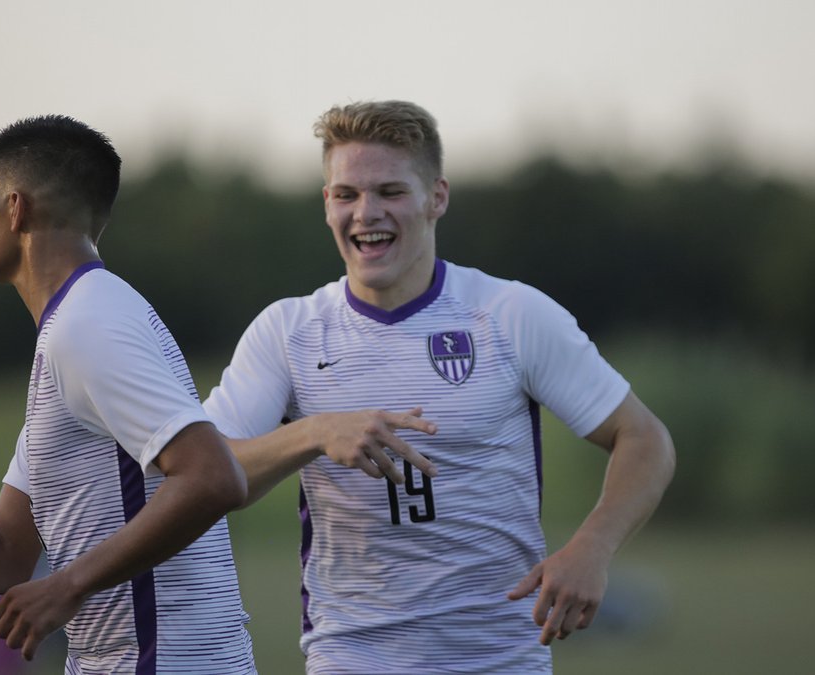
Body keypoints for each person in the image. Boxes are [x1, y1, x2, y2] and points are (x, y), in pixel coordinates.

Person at [204, 100, 676, 673]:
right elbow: (211, 473)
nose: (366, 213)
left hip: (501, 660)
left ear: (437, 198)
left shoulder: (510, 314)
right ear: (326, 203)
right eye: (347, 194)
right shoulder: (288, 331)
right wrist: (313, 433)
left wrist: (592, 548)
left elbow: (644, 438)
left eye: (390, 192)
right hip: (352, 657)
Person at [0, 115, 256, 674]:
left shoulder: (87, 325)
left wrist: (68, 585)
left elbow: (214, 477)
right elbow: (12, 550)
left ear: (14, 209)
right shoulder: (72, 328)